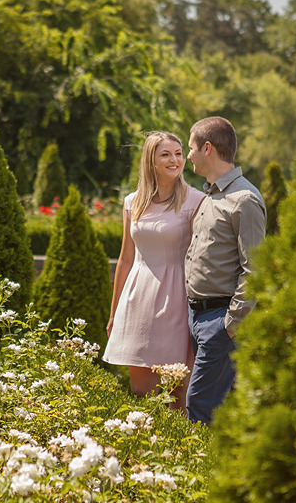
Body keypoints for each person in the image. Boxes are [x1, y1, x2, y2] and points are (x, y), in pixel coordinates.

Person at [103, 131, 206, 412]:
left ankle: (180, 453)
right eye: (166, 154)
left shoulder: (196, 201)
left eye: (179, 153)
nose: (175, 160)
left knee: (177, 393)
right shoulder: (131, 202)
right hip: (137, 300)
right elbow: (125, 259)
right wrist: (114, 313)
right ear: (151, 161)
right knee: (141, 393)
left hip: (177, 299)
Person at [184, 116, 266, 425]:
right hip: (199, 318)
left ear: (207, 148)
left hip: (220, 322)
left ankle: (197, 472)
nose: (188, 155)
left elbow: (255, 270)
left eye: (190, 148)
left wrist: (229, 326)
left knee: (199, 407)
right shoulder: (211, 196)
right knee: (218, 412)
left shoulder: (244, 200)